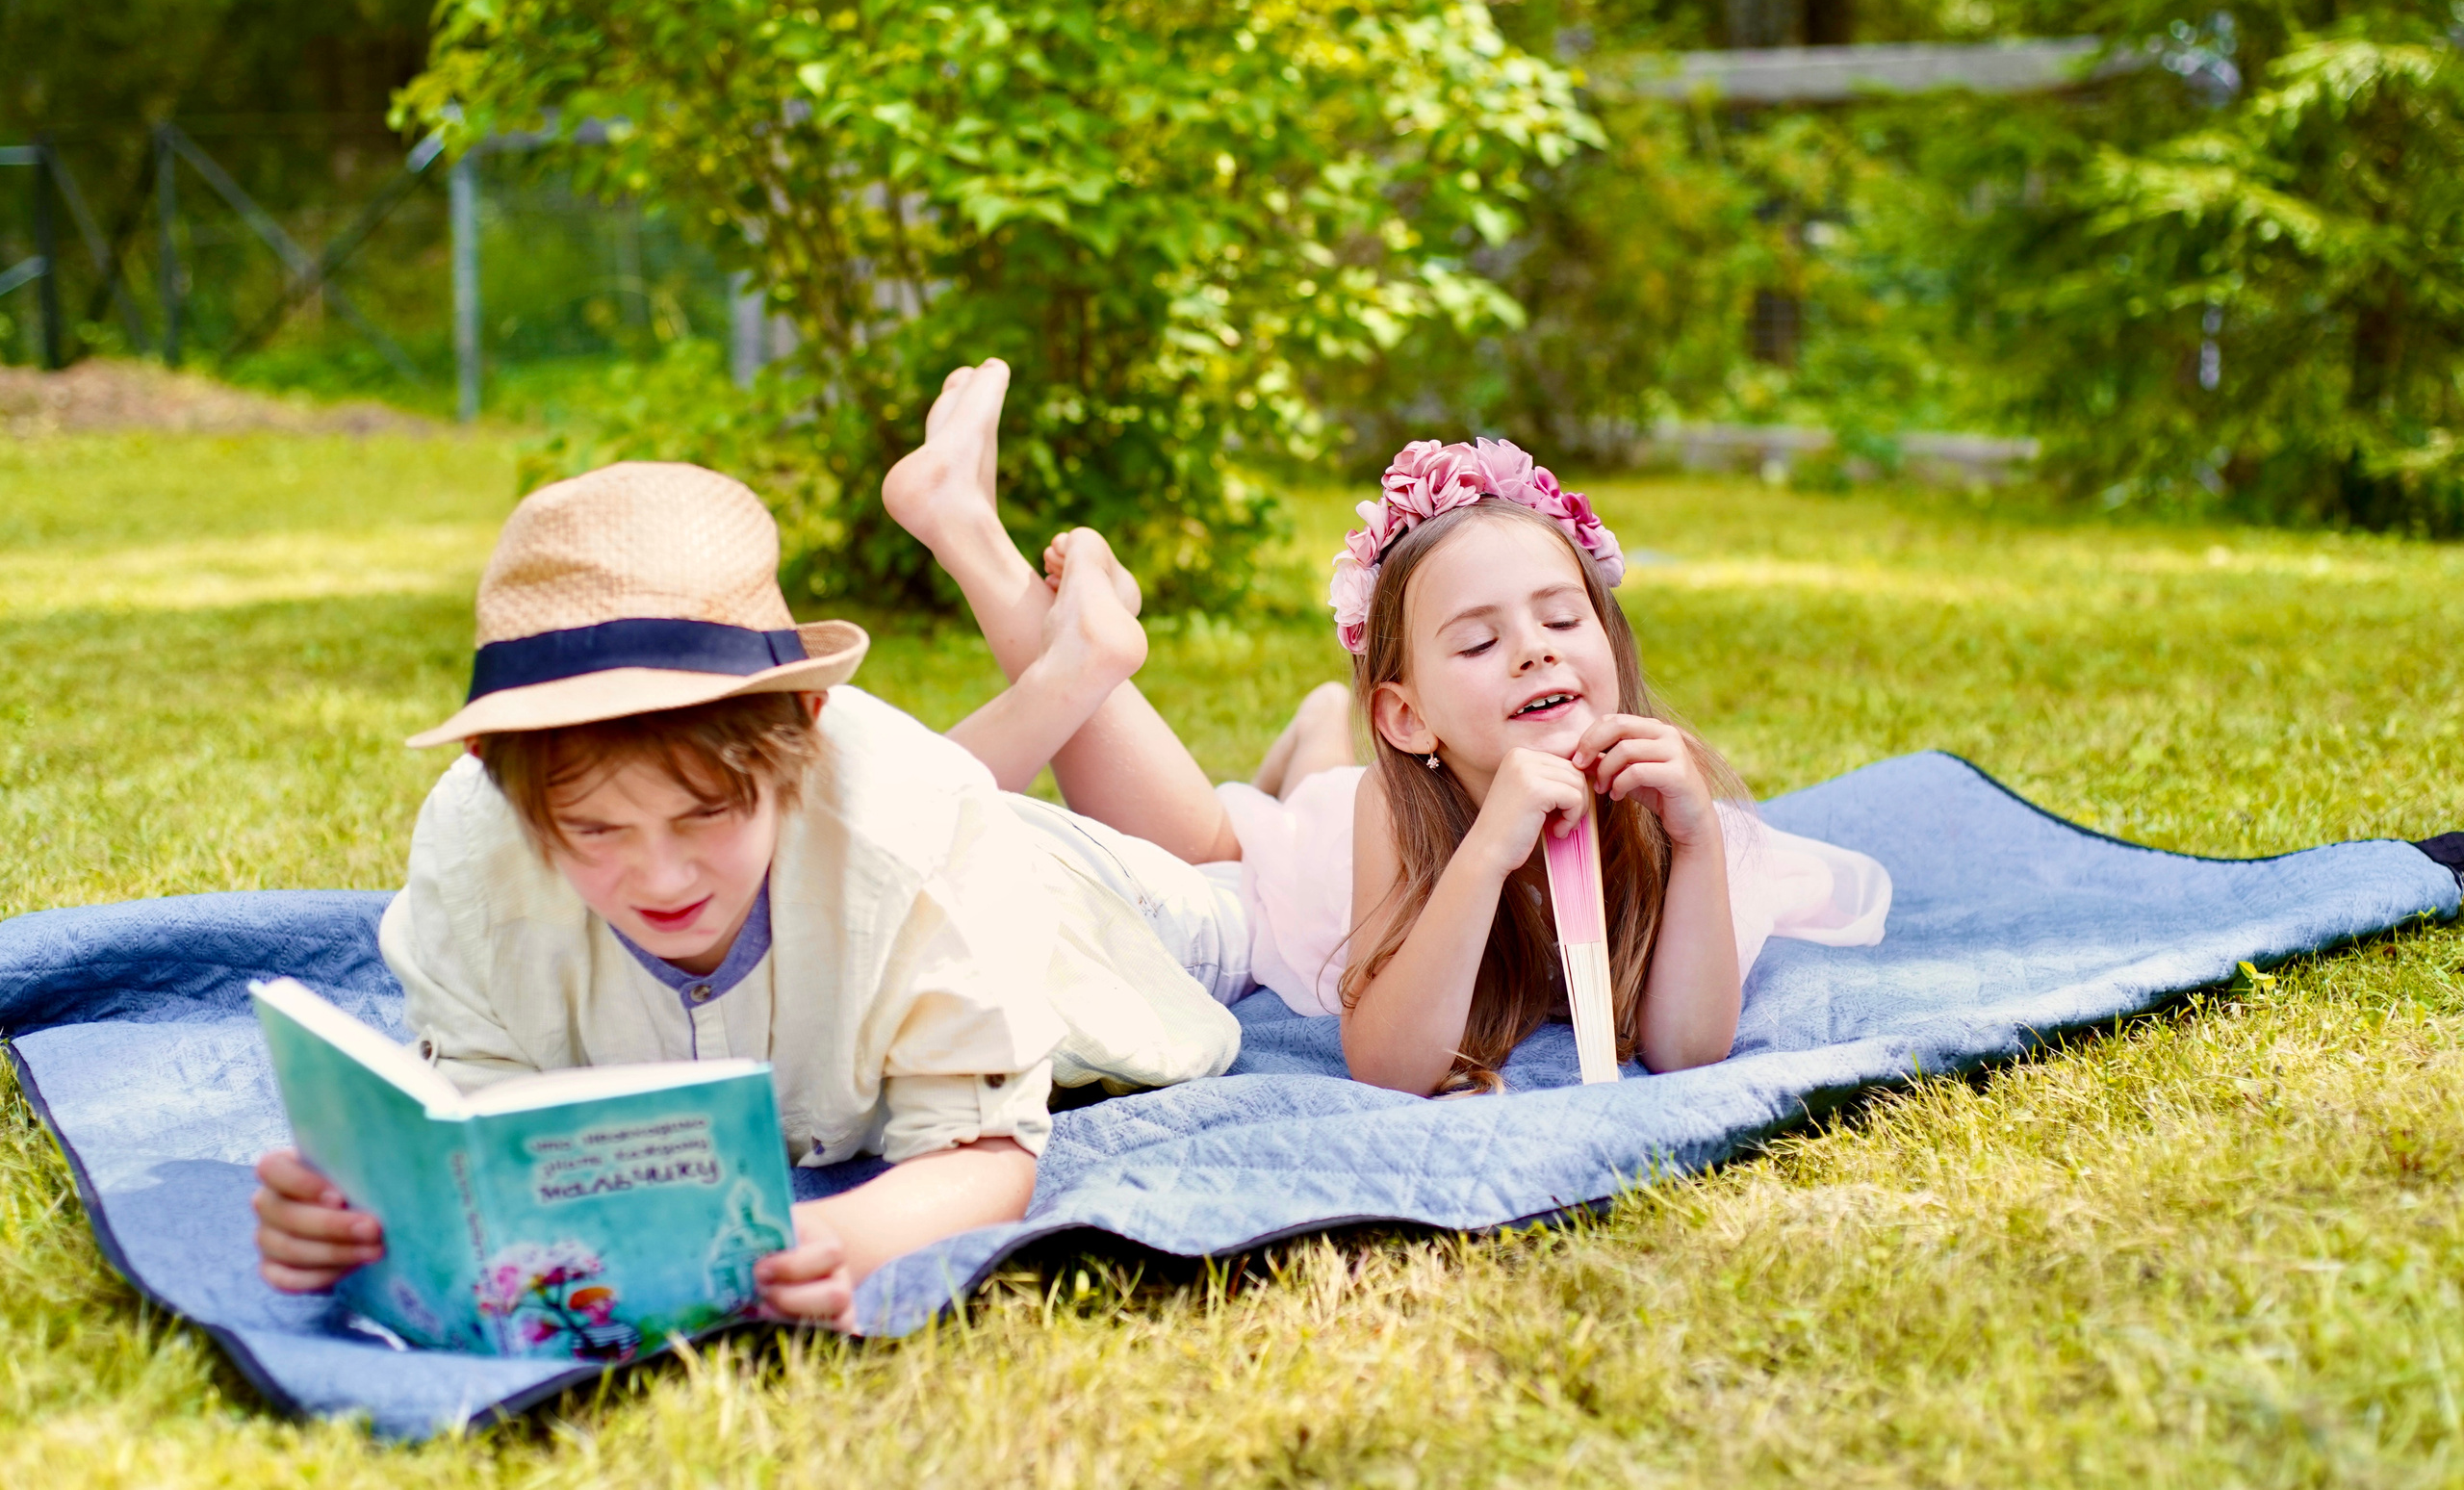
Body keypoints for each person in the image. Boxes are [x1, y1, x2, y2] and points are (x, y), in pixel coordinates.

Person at [252, 460, 1266, 1329]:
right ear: (493, 770)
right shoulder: (472, 845)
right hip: (892, 845)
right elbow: (478, 1121)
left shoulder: (923, 834)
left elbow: (985, 1148)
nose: (658, 878)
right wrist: (380, 1207)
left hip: (1082, 906)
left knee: (1249, 892)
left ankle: (1282, 759)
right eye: (595, 830)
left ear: (808, 723)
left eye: (704, 814)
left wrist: (830, 1237)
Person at [884, 361, 1891, 1097]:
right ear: (1407, 717)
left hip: (1334, 809)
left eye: (1559, 616)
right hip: (1304, 874)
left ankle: (1308, 737)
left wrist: (1694, 835)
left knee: (1259, 811)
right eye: (1479, 640)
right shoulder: (1393, 801)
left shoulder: (1661, 801)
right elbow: (1390, 1062)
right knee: (1206, 847)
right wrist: (1487, 846)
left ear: (1610, 637)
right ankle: (965, 530)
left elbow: (1685, 1050)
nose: (1536, 650)